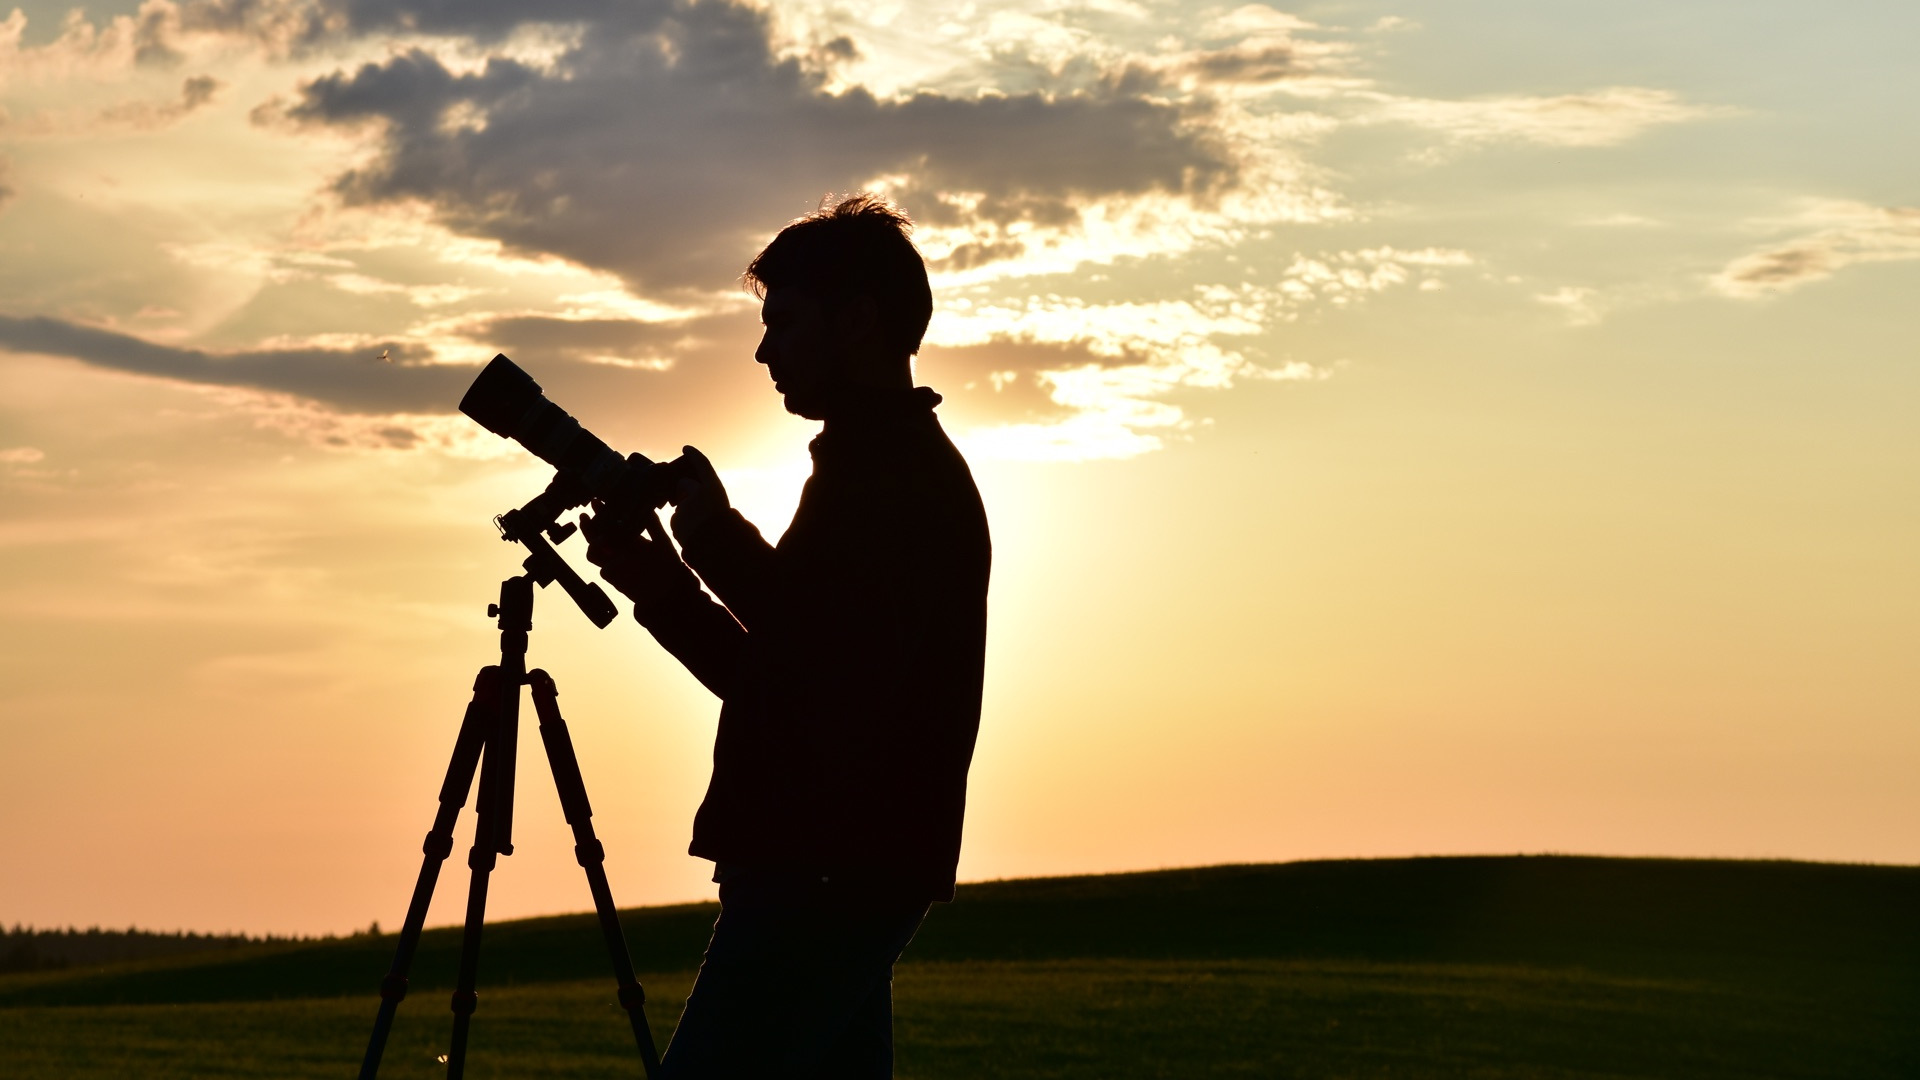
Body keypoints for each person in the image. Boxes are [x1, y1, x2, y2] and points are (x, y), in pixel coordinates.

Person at [583, 194, 990, 1078]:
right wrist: (670, 576)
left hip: (826, 871)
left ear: (857, 320)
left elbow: (797, 658)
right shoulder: (879, 466)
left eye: (783, 323)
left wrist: (694, 547)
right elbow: (789, 669)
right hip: (838, 865)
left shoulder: (893, 479)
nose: (765, 351)